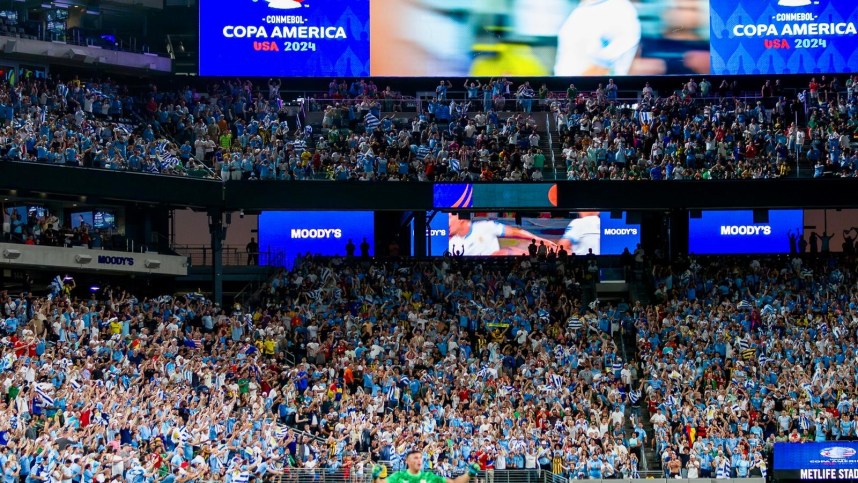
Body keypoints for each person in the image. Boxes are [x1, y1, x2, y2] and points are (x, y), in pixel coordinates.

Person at [554, 0, 641, 76]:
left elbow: (601, 67)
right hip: (567, 89)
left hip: (587, 91)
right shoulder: (581, 7)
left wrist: (569, 91)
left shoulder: (620, 10)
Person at [447, 214, 556, 256]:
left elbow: (515, 232)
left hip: (503, 266)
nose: (445, 222)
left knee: (508, 251)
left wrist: (541, 240)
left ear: (459, 218)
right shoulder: (447, 243)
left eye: (448, 218)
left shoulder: (484, 226)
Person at [372, 450, 480, 483]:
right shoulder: (399, 476)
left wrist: (469, 474)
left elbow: (455, 482)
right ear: (407, 461)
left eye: (420, 458)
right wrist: (375, 477)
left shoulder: (429, 477)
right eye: (415, 458)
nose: (419, 460)